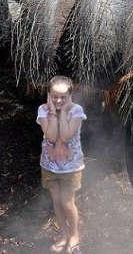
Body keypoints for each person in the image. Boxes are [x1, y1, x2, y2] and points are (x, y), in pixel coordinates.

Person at [37, 76, 86, 254]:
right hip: (49, 166)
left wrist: (63, 112)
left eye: (63, 97)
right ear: (49, 95)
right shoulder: (43, 110)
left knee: (67, 202)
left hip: (71, 168)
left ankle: (74, 236)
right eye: (55, 96)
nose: (58, 100)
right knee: (57, 201)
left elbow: (65, 136)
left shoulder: (76, 111)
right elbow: (50, 135)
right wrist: (52, 112)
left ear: (70, 96)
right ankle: (64, 235)